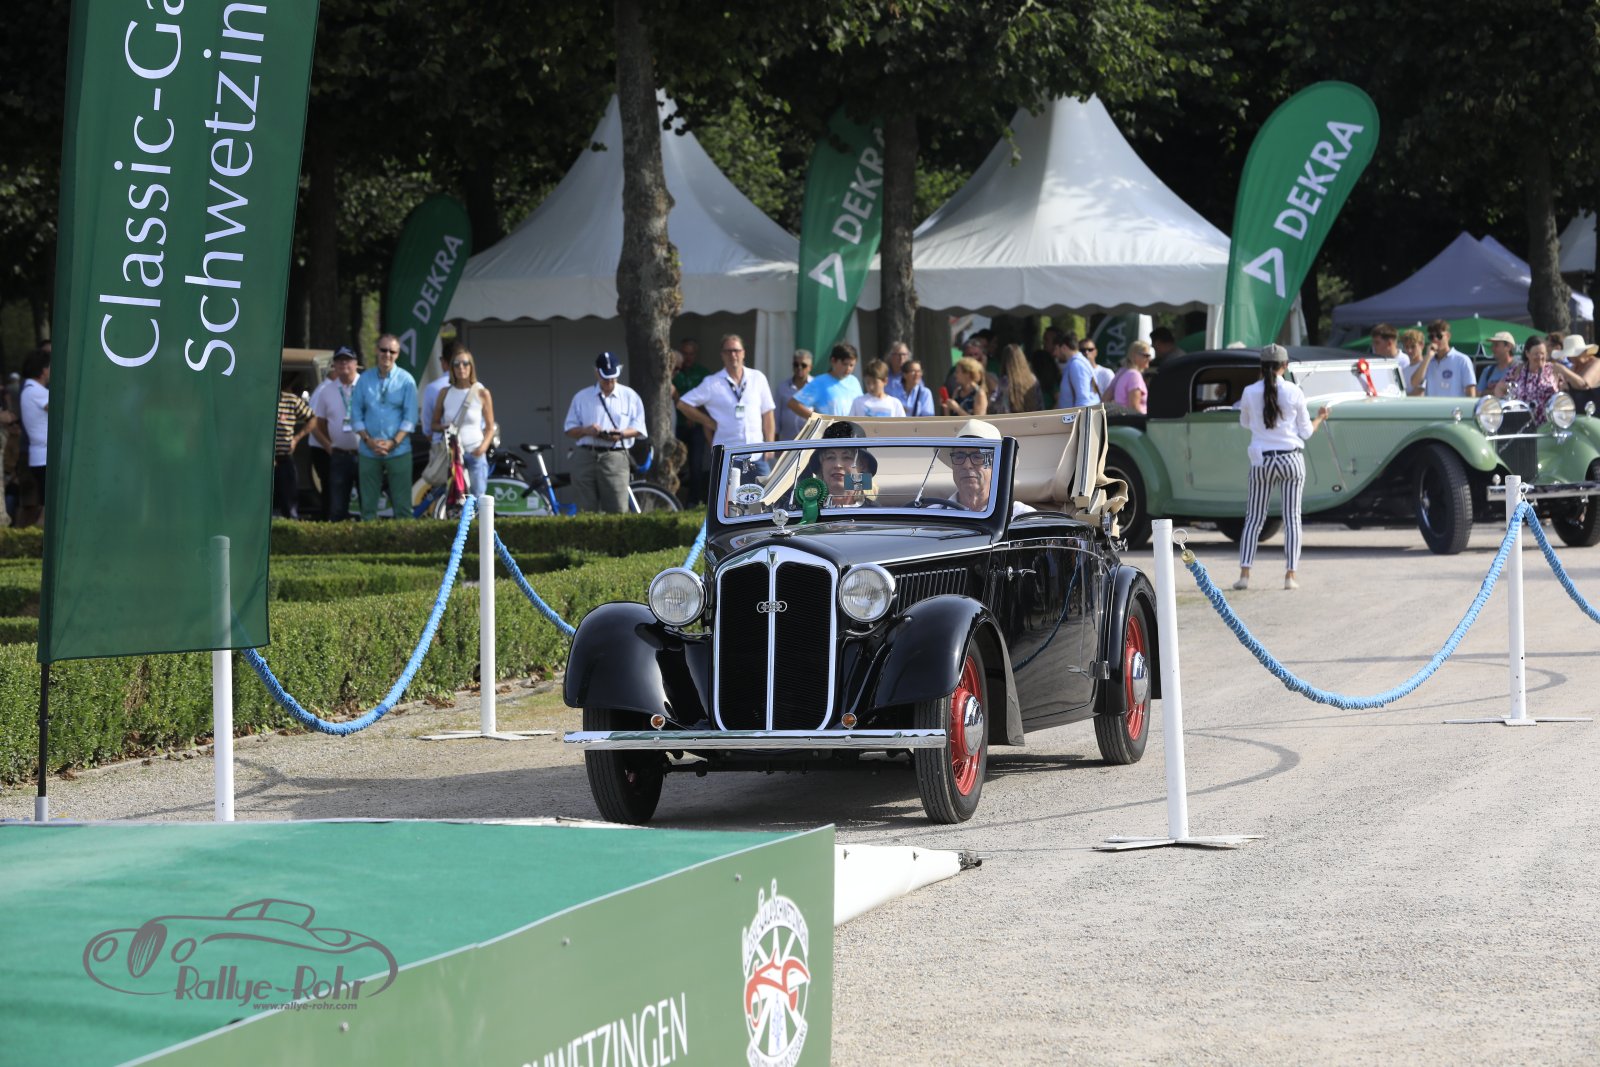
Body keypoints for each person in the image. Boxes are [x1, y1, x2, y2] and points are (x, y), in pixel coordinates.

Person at [1233, 344, 1329, 591]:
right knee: (1292, 517)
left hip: (1261, 459)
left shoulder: (1249, 392)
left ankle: (1244, 574)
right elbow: (1306, 432)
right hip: (1290, 459)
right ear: (1285, 366)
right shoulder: (1295, 391)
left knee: (1254, 518)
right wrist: (1320, 417)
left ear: (1262, 365)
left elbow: (1245, 423)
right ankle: (1290, 575)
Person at [677, 333, 776, 478]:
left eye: (736, 350)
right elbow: (683, 404)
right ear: (722, 355)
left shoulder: (757, 378)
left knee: (766, 493)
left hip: (757, 454)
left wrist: (770, 445)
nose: (733, 355)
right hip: (727, 456)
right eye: (728, 351)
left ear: (743, 353)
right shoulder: (712, 382)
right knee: (728, 494)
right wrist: (708, 421)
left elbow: (768, 413)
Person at [564, 352, 646, 512]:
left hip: (615, 455)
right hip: (586, 455)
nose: (609, 382)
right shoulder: (582, 397)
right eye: (605, 378)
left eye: (613, 378)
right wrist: (586, 430)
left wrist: (621, 434)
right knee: (584, 508)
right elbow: (569, 430)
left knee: (617, 507)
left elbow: (639, 428)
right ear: (596, 372)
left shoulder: (630, 396)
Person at [350, 333, 418, 521]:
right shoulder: (364, 379)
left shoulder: (406, 380)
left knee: (403, 508)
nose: (387, 354)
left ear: (397, 354)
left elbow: (410, 418)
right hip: (368, 450)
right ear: (376, 350)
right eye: (383, 350)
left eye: (392, 351)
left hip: (399, 450)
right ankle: (370, 539)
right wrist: (368, 440)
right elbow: (355, 414)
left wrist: (393, 443)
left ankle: (405, 539)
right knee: (367, 509)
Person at [432, 348, 498, 501]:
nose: (461, 368)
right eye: (456, 364)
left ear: (471, 366)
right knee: (454, 499)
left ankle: (478, 519)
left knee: (478, 499)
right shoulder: (444, 392)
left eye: (465, 364)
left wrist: (482, 449)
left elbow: (490, 427)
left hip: (475, 451)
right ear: (452, 368)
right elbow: (433, 424)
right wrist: (444, 427)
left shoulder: (482, 392)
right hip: (453, 454)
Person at [310, 347, 361, 522]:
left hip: (365, 454)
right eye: (339, 360)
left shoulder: (366, 385)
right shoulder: (327, 390)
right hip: (339, 456)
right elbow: (319, 423)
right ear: (334, 365)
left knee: (368, 505)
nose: (343, 363)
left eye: (348, 360)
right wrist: (329, 444)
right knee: (337, 507)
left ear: (356, 363)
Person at [945, 418, 1035, 517]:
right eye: (959, 457)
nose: (966, 465)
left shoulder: (1022, 516)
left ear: (997, 466)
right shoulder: (934, 513)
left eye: (978, 456)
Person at [671, 339, 710, 502]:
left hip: (697, 426)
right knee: (673, 464)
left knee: (696, 464)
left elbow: (708, 399)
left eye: (691, 354)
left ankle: (694, 501)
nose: (688, 357)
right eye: (685, 353)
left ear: (695, 355)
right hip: (677, 425)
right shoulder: (674, 371)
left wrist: (694, 415)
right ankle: (672, 499)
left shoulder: (703, 373)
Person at [1493, 336, 1562, 425]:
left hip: (1548, 425)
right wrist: (1506, 407)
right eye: (1536, 354)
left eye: (1542, 353)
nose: (1540, 357)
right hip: (1521, 425)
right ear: (1527, 354)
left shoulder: (1553, 370)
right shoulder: (1517, 370)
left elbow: (1573, 387)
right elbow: (1499, 388)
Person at [787, 342, 863, 421]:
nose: (848, 368)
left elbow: (861, 407)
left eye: (851, 365)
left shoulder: (854, 381)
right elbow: (793, 404)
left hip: (853, 429)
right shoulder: (820, 382)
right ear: (833, 361)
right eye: (845, 364)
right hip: (830, 429)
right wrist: (820, 420)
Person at [16, 348, 48, 528]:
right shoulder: (37, 392)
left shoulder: (29, 390)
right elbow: (62, 409)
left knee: (43, 505)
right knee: (46, 508)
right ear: (43, 370)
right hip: (45, 457)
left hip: (39, 456)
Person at [274, 382, 314, 519]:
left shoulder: (291, 400)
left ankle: (290, 523)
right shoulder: (258, 399)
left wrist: (296, 438)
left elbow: (312, 419)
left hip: (285, 457)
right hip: (263, 459)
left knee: (289, 500)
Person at [1408, 320, 1476, 397]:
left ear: (1448, 336)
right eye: (1431, 337)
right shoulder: (1428, 360)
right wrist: (1427, 357)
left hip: (1454, 405)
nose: (1435, 339)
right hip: (1433, 405)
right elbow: (1414, 383)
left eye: (1439, 336)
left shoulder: (1462, 360)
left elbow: (1471, 391)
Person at [1551, 334, 1600, 410]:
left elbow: (1584, 385)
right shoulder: (1574, 368)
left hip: (1593, 413)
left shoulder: (1597, 363)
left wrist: (1563, 370)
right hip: (1575, 413)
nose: (1568, 358)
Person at [775, 349, 813, 440]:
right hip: (788, 441)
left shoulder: (816, 386)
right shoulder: (782, 387)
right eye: (796, 364)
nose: (799, 368)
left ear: (810, 367)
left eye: (803, 365)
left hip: (811, 441)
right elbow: (776, 415)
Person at [995, 344, 1042, 413]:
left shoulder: (1004, 382)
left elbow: (999, 408)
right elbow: (1040, 405)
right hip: (1032, 418)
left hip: (1011, 419)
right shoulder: (1033, 379)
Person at [1059, 335, 1103, 408]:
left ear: (1064, 347)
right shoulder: (1077, 363)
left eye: (1057, 349)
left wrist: (1079, 415)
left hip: (1080, 413)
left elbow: (1083, 399)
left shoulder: (1076, 364)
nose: (1055, 353)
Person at [1109, 341, 1153, 413]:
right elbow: (1134, 408)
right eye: (1146, 355)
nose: (1149, 359)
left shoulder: (1124, 372)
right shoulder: (1135, 375)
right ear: (1134, 356)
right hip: (1132, 419)